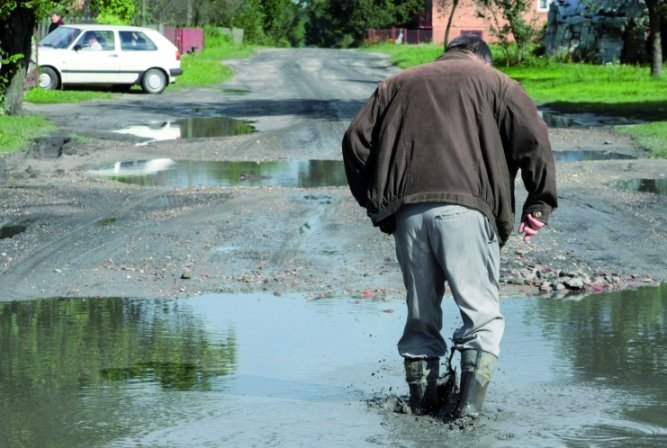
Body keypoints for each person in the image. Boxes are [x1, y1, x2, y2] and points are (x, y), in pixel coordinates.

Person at [342, 35, 557, 419]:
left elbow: (355, 140)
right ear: (483, 60)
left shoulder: (397, 83)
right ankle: (468, 413)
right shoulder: (497, 84)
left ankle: (423, 405)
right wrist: (539, 203)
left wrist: (375, 202)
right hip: (468, 212)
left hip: (409, 214)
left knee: (421, 314)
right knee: (481, 314)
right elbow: (535, 141)